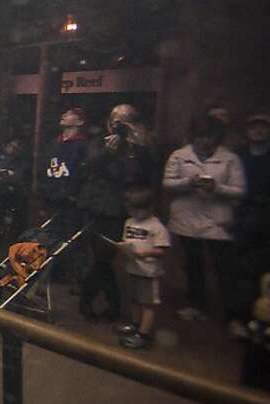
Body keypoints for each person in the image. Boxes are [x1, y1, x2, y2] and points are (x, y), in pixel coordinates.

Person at [164, 114, 247, 331]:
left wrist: (217, 187)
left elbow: (240, 191)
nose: (204, 141)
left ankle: (233, 316)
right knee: (193, 265)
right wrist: (188, 182)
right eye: (200, 136)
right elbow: (168, 183)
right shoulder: (179, 155)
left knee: (224, 269)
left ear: (217, 137)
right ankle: (196, 306)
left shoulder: (230, 158)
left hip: (218, 221)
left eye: (209, 136)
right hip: (186, 218)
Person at [77, 103, 160, 323]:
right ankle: (102, 303)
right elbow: (89, 166)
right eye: (115, 120)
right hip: (95, 207)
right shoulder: (100, 142)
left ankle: (95, 302)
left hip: (121, 210)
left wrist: (137, 145)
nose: (118, 125)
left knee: (104, 259)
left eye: (124, 121)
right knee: (100, 258)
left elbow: (145, 173)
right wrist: (107, 152)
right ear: (108, 122)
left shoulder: (139, 147)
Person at [36, 107, 91, 280]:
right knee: (50, 235)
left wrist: (74, 194)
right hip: (52, 197)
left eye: (69, 114)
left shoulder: (83, 145)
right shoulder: (55, 143)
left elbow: (83, 173)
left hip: (70, 200)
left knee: (70, 237)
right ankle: (52, 272)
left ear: (80, 121)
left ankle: (72, 275)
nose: (64, 115)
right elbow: (45, 168)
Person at [115, 185, 171, 349]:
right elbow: (127, 242)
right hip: (132, 267)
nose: (134, 214)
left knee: (147, 303)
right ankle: (134, 324)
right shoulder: (129, 222)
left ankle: (143, 334)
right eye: (131, 210)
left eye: (138, 210)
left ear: (149, 208)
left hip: (149, 271)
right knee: (134, 299)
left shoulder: (157, 226)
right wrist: (123, 248)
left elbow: (162, 250)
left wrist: (145, 253)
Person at [235, 111, 270, 337]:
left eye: (263, 127)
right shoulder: (238, 155)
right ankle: (240, 316)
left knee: (262, 271)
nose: (258, 131)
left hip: (266, 217)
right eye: (254, 127)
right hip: (241, 214)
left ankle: (260, 318)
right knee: (239, 269)